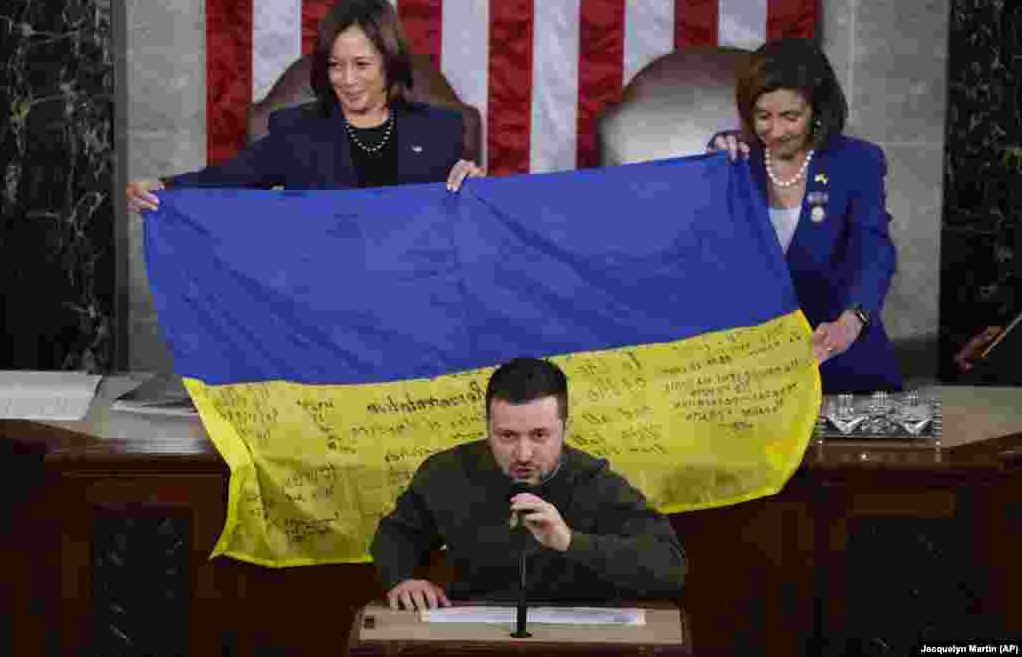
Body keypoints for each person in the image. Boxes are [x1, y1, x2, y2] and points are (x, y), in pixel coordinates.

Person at [370, 357, 687, 611]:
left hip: (579, 637)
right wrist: (402, 579)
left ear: (564, 428)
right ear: (488, 427)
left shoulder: (594, 482)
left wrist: (569, 541)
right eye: (507, 436)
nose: (523, 454)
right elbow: (396, 535)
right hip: (474, 633)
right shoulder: (446, 473)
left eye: (539, 435)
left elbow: (669, 566)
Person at [125, 0, 482, 213]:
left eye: (361, 65)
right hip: (322, 304)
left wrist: (478, 190)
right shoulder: (297, 131)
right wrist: (164, 188)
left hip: (415, 298)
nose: (347, 79)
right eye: (335, 66)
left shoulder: (440, 130)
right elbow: (225, 179)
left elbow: (465, 228)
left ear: (390, 63)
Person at [711, 38, 902, 394]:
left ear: (817, 110)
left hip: (839, 357)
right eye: (763, 116)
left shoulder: (856, 161)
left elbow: (874, 250)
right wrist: (712, 167)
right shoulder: (733, 159)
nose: (777, 131)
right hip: (753, 374)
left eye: (791, 116)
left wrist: (852, 321)